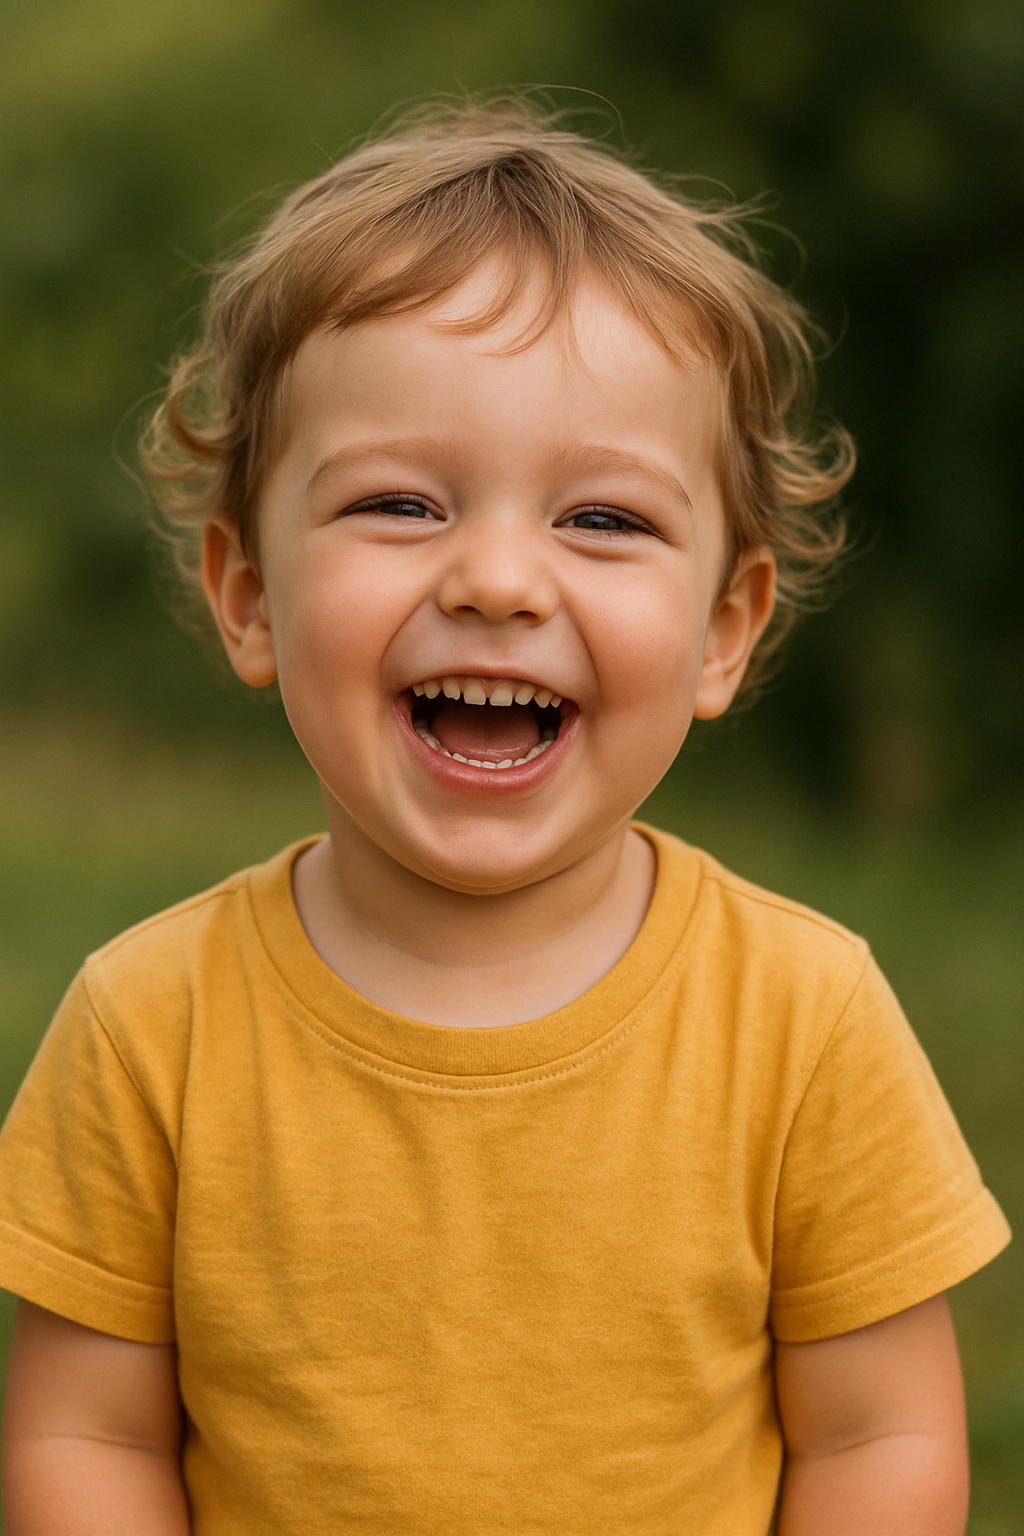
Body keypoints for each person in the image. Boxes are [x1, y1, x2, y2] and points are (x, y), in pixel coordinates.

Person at [0, 100, 1010, 1536]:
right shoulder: (150, 1026)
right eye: (402, 504)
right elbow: (84, 1440)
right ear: (247, 596)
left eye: (601, 521)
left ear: (725, 629)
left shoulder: (802, 1018)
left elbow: (880, 1440)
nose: (497, 580)